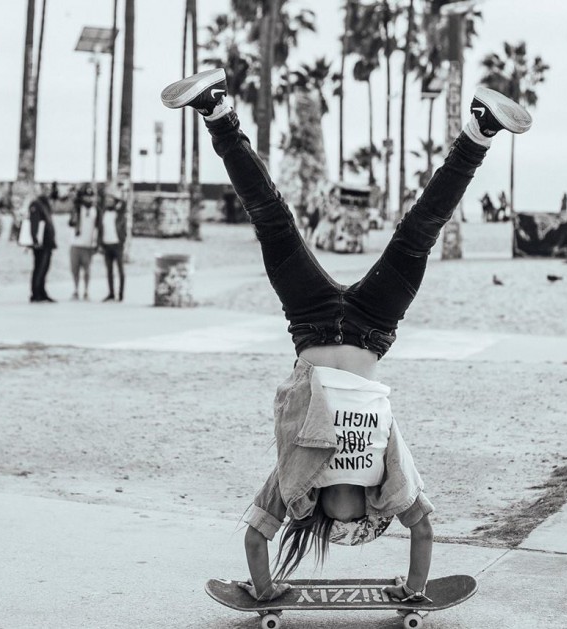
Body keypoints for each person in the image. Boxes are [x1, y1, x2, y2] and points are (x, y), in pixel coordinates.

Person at [161, 68, 532, 602]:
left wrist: (266, 591)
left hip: (309, 319)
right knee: (419, 231)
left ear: (320, 516)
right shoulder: (390, 483)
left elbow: (255, 536)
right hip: (373, 328)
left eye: (342, 524)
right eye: (360, 521)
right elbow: (423, 529)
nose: (349, 516)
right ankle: (481, 129)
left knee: (273, 221)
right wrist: (412, 589)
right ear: (372, 513)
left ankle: (216, 110)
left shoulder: (297, 481)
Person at [68, 184, 99, 300]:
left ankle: (86, 290)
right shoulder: (76, 209)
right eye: (86, 196)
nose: (88, 199)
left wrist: (95, 243)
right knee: (74, 269)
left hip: (88, 244)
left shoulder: (96, 210)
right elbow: (71, 223)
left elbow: (98, 228)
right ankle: (76, 289)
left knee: (87, 269)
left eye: (90, 196)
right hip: (75, 243)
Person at [29, 183, 57, 303]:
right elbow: (34, 223)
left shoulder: (46, 204)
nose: (47, 192)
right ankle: (36, 293)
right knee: (39, 267)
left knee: (44, 268)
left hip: (48, 242)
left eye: (48, 190)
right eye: (45, 189)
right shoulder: (36, 204)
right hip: (41, 242)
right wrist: (35, 239)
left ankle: (42, 291)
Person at [98, 188, 127, 302]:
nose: (108, 202)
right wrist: (100, 243)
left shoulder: (119, 214)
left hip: (117, 244)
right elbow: (100, 229)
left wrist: (122, 241)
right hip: (107, 244)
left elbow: (124, 203)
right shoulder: (103, 213)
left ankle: (121, 293)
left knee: (120, 270)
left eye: (111, 201)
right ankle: (111, 293)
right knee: (109, 271)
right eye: (107, 201)